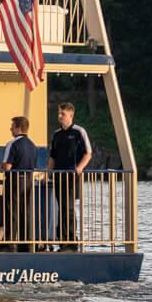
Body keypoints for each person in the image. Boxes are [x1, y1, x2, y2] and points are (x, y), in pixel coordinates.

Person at [49, 101, 93, 245]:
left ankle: (71, 238)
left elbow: (88, 153)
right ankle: (62, 238)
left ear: (71, 115)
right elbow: (52, 157)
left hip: (72, 176)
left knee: (69, 207)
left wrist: (79, 168)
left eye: (63, 114)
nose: (60, 116)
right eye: (59, 113)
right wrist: (47, 174)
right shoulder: (56, 134)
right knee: (61, 206)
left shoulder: (79, 131)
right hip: (58, 175)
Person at [2, 114, 44, 243]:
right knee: (26, 211)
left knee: (12, 210)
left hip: (14, 180)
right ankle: (26, 241)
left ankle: (9, 241)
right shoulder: (33, 145)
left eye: (12, 127)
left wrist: (2, 166)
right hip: (29, 181)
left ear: (18, 128)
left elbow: (6, 167)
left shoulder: (12, 144)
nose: (10, 130)